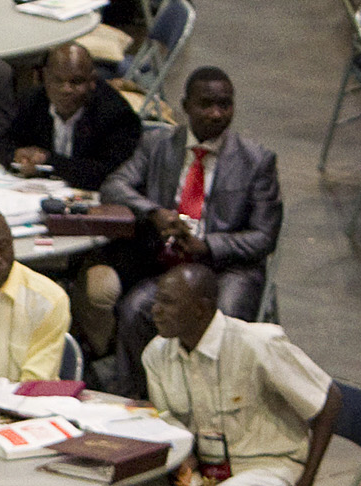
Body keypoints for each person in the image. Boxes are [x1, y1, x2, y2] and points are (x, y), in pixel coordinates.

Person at [120, 264, 339, 486]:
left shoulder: (258, 344)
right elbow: (170, 424)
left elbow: (329, 400)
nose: (155, 311)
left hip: (267, 470)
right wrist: (185, 466)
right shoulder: (156, 354)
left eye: (168, 302)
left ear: (201, 309)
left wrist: (305, 485)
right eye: (156, 301)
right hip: (202, 472)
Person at [95, 69, 278, 387]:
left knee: (225, 319)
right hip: (174, 267)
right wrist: (154, 213)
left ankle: (219, 396)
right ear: (186, 106)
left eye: (225, 105)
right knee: (136, 309)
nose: (216, 114)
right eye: (206, 104)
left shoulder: (257, 161)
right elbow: (115, 186)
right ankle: (142, 394)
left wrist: (208, 245)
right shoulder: (157, 145)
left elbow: (264, 236)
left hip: (228, 269)